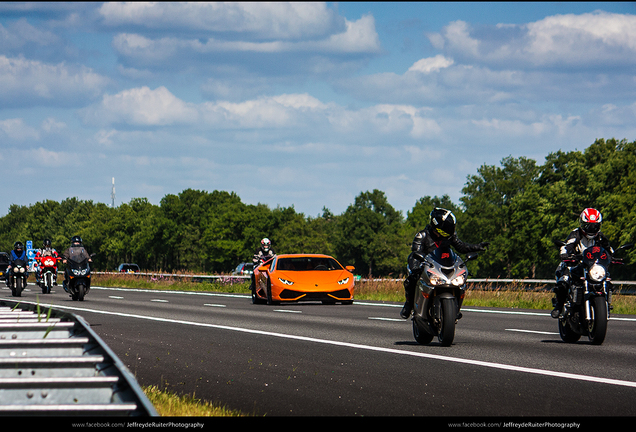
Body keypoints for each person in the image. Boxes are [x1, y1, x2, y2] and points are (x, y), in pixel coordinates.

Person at [400, 208, 488, 319]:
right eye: (447, 226)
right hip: (427, 266)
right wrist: (416, 267)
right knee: (411, 280)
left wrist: (477, 246)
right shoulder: (422, 236)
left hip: (444, 266)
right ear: (437, 225)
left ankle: (454, 309)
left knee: (460, 283)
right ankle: (409, 304)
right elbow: (415, 254)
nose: (450, 229)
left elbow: (461, 246)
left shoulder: (449, 236)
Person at [552, 208, 614, 318]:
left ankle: (606, 306)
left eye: (595, 226)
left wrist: (612, 257)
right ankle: (559, 306)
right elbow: (567, 246)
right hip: (575, 264)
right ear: (582, 224)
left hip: (593, 266)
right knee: (563, 281)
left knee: (607, 279)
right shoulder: (575, 234)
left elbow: (609, 249)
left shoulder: (600, 237)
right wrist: (565, 254)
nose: (591, 229)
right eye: (588, 226)